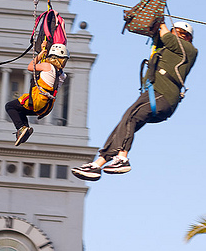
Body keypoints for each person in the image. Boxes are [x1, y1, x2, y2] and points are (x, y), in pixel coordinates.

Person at [71, 21, 198, 181]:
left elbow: (168, 38)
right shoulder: (168, 51)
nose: (175, 34)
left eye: (178, 33)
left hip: (163, 95)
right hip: (155, 95)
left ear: (186, 37)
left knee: (130, 117)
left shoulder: (189, 50)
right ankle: (98, 164)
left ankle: (122, 158)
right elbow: (161, 38)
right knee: (124, 125)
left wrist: (163, 23)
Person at [6, 41, 69, 146]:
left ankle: (21, 128)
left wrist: (39, 55)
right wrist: (44, 48)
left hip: (37, 101)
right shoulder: (62, 75)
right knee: (20, 111)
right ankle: (24, 130)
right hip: (46, 107)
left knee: (10, 107)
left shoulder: (47, 66)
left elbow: (31, 66)